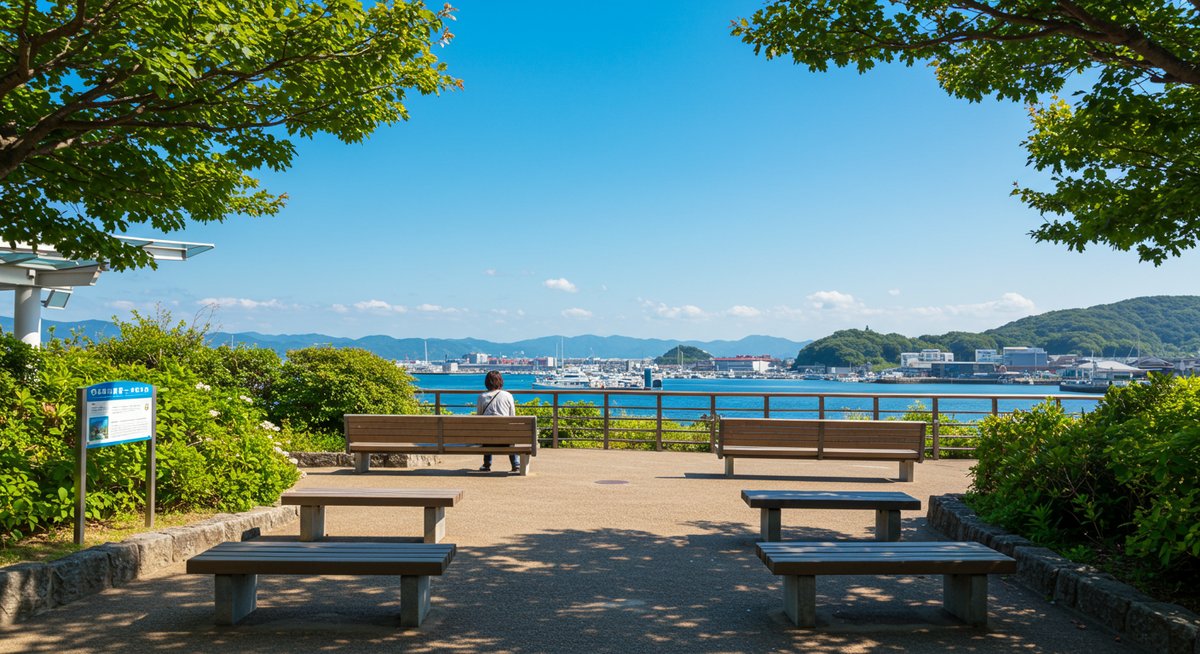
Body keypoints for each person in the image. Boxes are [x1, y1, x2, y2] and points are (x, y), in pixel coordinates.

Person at [477, 370, 521, 473]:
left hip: (487, 441)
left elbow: (478, 418)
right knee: (509, 433)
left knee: (486, 431)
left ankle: (486, 464)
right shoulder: (508, 396)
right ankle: (516, 464)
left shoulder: (482, 397)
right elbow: (512, 417)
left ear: (487, 382)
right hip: (505, 440)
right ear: (500, 381)